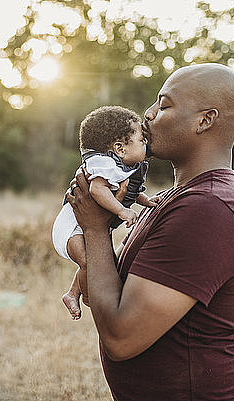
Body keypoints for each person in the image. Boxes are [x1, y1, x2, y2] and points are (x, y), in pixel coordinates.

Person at [66, 63, 234, 401]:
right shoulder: (172, 198)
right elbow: (110, 298)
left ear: (205, 120)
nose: (148, 114)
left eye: (164, 105)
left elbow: (121, 338)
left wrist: (94, 229)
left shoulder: (207, 209)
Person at [52, 106, 161, 320]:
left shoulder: (121, 167)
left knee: (90, 260)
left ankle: (72, 292)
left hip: (86, 227)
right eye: (142, 140)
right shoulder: (102, 163)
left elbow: (129, 191)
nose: (146, 143)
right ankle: (89, 297)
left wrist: (146, 201)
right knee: (88, 262)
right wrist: (122, 210)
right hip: (70, 228)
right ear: (119, 148)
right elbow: (98, 189)